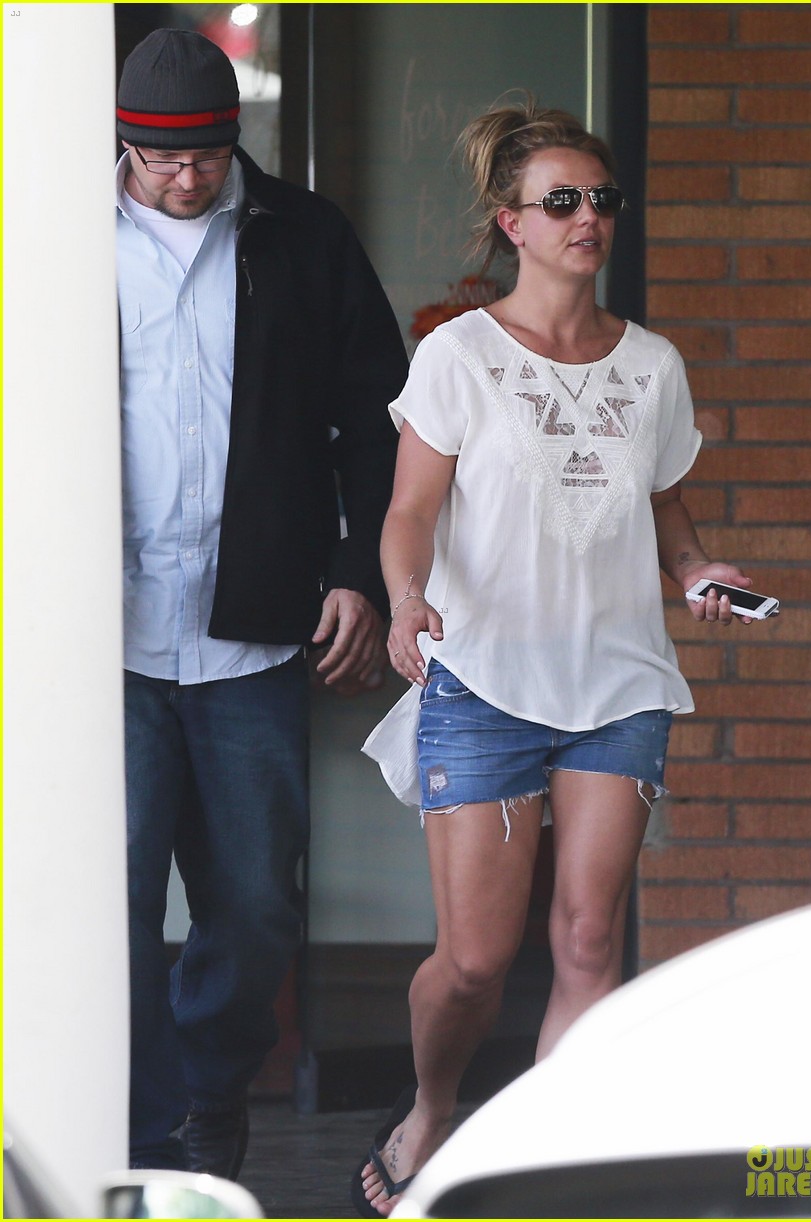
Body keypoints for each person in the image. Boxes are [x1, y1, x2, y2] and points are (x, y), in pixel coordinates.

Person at [353, 99, 757, 1216]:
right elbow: (409, 513)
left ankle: (543, 1168)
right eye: (562, 201)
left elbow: (664, 513)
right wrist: (405, 601)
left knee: (586, 938)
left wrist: (696, 573)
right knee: (475, 963)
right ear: (512, 223)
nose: (589, 218)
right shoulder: (458, 355)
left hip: (618, 682)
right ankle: (433, 1106)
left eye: (602, 200)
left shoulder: (653, 366)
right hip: (483, 680)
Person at [115, 29, 407, 1177]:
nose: (186, 179)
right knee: (112, 901)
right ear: (125, 146)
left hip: (254, 633)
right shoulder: (55, 239)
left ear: (234, 139)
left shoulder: (303, 235)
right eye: (160, 160)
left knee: (253, 908)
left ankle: (209, 1089)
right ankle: (149, 1132)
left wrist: (359, 571)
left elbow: (382, 421)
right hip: (104, 639)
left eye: (205, 157)